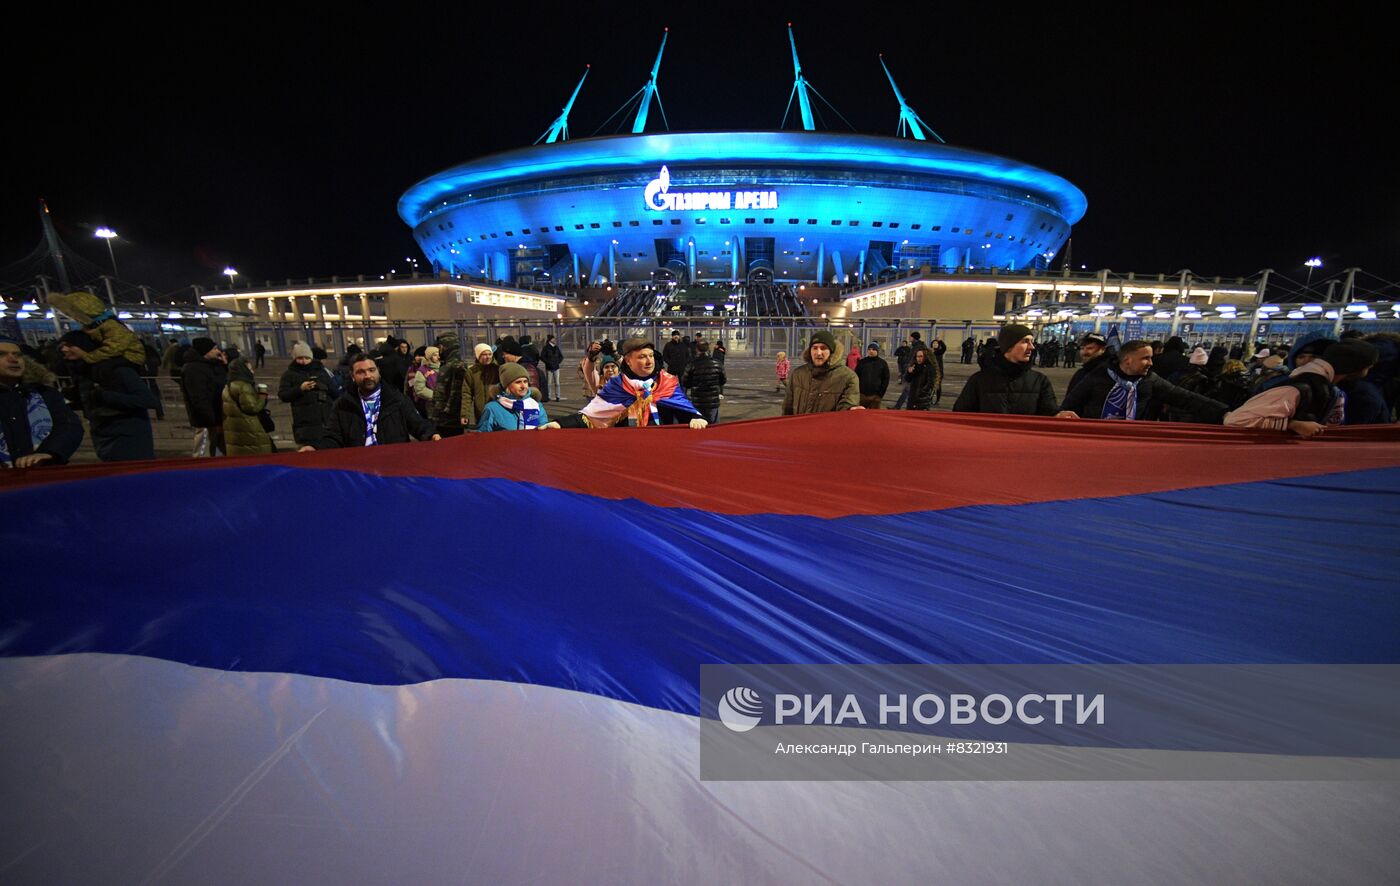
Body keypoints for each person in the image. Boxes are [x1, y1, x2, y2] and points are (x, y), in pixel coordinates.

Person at [1224, 340, 1380, 437]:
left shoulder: (1328, 388)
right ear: (1357, 367)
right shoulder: (1299, 388)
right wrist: (1293, 425)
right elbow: (1236, 420)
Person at [1057, 340, 1229, 423]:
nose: (1151, 363)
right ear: (1128, 360)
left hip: (1128, 438)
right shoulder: (1098, 376)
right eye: (1145, 358)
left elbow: (1185, 398)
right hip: (1096, 437)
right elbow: (1070, 404)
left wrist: (1224, 413)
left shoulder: (1149, 380)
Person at [563, 337, 707, 429]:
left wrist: (696, 418)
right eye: (642, 357)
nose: (649, 361)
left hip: (662, 446)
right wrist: (559, 424)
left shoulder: (666, 382)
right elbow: (590, 416)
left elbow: (684, 410)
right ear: (628, 361)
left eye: (651, 356)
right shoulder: (616, 385)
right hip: (626, 447)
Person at [305, 353, 441, 449]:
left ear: (378, 372)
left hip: (394, 467)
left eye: (371, 370)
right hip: (360, 471)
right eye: (361, 372)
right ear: (352, 376)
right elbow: (333, 437)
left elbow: (417, 424)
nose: (368, 376)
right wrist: (315, 448)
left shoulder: (397, 399)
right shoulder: (343, 405)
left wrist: (431, 435)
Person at [58, 331, 157, 461]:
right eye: (63, 346)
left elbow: (148, 400)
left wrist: (106, 396)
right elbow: (93, 400)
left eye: (70, 345)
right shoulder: (84, 372)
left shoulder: (117, 369)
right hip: (102, 435)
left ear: (84, 346)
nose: (64, 349)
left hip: (128, 438)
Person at [1, 336, 84, 468]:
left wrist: (49, 452)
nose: (13, 359)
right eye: (2, 355)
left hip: (41, 474)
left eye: (17, 355)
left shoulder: (45, 394)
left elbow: (69, 425)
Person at [953, 325, 1057, 416]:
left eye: (1032, 342)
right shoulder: (979, 381)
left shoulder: (1039, 381)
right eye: (1025, 341)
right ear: (1009, 345)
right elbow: (960, 415)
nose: (1032, 347)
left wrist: (1060, 415)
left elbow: (1050, 413)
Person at [783, 330, 860, 415]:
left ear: (831, 351)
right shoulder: (798, 374)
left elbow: (846, 408)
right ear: (810, 350)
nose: (818, 353)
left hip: (827, 428)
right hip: (799, 427)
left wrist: (850, 409)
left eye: (823, 348)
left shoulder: (848, 377)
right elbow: (787, 408)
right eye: (815, 348)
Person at [278, 342, 339, 447]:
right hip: (304, 424)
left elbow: (335, 392)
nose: (303, 362)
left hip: (326, 421)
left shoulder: (322, 372)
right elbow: (283, 395)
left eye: (306, 358)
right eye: (300, 358)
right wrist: (300, 389)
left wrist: (322, 387)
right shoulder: (289, 375)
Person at [476, 363, 560, 431]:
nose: (523, 386)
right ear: (507, 385)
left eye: (525, 381)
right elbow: (483, 437)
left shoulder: (536, 405)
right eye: (518, 382)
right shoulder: (492, 409)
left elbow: (544, 431)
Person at [181, 337, 228, 457]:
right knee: (203, 451)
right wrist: (210, 419)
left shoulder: (213, 364)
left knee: (217, 449)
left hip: (217, 415)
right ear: (205, 351)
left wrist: (224, 365)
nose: (218, 351)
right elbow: (198, 397)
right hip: (206, 419)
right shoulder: (193, 369)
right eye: (214, 349)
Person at [221, 357, 275, 455]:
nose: (252, 372)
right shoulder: (243, 386)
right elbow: (253, 408)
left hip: (236, 432)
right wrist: (262, 395)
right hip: (249, 430)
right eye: (249, 369)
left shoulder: (228, 386)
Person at [429, 333, 471, 437]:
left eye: (440, 347)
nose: (439, 350)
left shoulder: (457, 366)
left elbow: (457, 394)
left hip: (450, 422)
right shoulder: (447, 364)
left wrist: (445, 413)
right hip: (442, 419)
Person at [681, 341, 726, 424]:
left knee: (698, 427)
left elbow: (685, 382)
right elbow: (723, 380)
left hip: (698, 401)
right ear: (708, 349)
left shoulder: (691, 364)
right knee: (714, 427)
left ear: (697, 350)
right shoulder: (717, 363)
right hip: (713, 401)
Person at [465, 342, 504, 425]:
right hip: (480, 412)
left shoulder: (497, 370)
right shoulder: (471, 372)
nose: (488, 357)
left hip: (497, 409)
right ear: (478, 356)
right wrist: (465, 414)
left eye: (490, 354)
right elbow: (467, 394)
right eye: (484, 354)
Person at [855, 343, 890, 409]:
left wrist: (880, 394)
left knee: (874, 416)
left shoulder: (882, 363)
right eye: (869, 349)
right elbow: (856, 376)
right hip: (862, 395)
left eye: (873, 349)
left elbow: (886, 379)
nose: (871, 351)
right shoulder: (862, 362)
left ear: (877, 351)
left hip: (876, 396)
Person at [409, 345, 440, 417]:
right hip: (428, 405)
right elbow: (419, 389)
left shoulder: (441, 368)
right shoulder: (422, 370)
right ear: (429, 356)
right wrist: (436, 396)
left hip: (441, 405)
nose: (438, 357)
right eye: (435, 355)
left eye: (438, 355)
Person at [904, 344, 937, 411]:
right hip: (912, 397)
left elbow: (930, 383)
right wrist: (909, 372)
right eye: (917, 356)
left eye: (921, 356)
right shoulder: (914, 366)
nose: (919, 358)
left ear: (925, 357)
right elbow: (907, 379)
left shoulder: (929, 367)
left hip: (923, 398)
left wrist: (922, 392)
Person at [540, 334, 564, 402]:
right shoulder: (546, 348)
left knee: (557, 383)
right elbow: (542, 357)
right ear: (550, 340)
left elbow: (561, 356)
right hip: (549, 368)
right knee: (549, 383)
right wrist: (548, 362)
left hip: (556, 367)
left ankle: (558, 396)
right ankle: (548, 396)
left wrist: (557, 362)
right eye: (553, 339)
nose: (555, 340)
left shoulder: (556, 347)